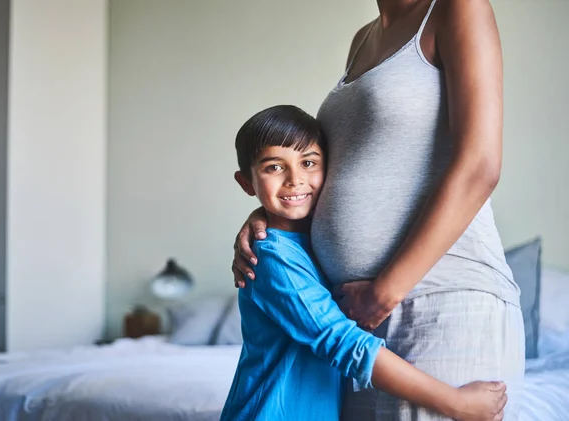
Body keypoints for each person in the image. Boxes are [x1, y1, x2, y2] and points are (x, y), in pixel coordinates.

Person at [231, 1, 525, 420]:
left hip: (438, 299)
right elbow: (344, 166)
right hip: (357, 323)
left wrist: (385, 291)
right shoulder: (362, 40)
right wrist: (269, 220)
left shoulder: (456, 7)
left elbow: (480, 166)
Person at [221, 105, 507, 421]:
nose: (295, 179)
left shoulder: (310, 242)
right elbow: (342, 343)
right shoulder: (270, 256)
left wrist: (260, 213)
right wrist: (456, 403)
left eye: (308, 163)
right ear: (246, 182)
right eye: (274, 167)